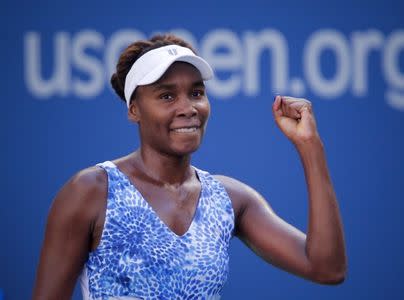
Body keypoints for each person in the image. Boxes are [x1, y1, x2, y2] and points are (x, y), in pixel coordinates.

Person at [32, 33, 347, 300]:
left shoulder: (231, 199)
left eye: (196, 93)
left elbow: (327, 268)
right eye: (167, 96)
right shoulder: (90, 191)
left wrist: (310, 146)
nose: (188, 108)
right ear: (133, 109)